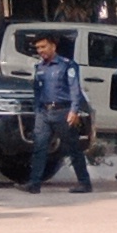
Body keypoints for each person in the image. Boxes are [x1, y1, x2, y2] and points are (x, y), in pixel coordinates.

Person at [23, 34, 93, 192]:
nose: (41, 51)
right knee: (39, 147)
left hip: (63, 111)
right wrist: (37, 110)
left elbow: (75, 89)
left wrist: (74, 110)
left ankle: (84, 183)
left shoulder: (67, 65)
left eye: (43, 47)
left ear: (53, 47)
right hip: (44, 112)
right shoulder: (39, 67)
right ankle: (34, 184)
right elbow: (37, 91)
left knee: (73, 148)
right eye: (38, 48)